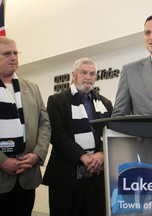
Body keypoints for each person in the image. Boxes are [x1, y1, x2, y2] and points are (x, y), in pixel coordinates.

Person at [42, 58, 112, 216]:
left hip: (96, 177)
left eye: (92, 74)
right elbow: (57, 135)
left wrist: (101, 154)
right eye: (84, 73)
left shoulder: (105, 103)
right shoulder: (57, 101)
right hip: (65, 178)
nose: (88, 77)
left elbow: (109, 133)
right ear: (73, 75)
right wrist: (83, 156)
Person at [0, 36, 51, 216]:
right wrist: (2, 161)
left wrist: (36, 154)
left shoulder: (32, 88)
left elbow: (45, 124)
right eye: (7, 54)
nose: (13, 57)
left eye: (15, 53)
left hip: (27, 176)